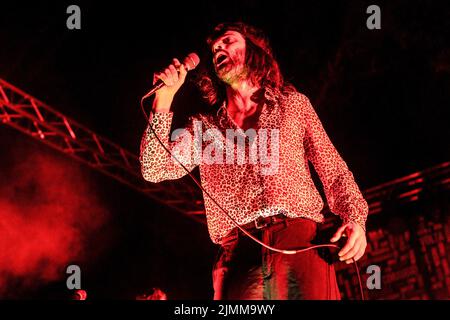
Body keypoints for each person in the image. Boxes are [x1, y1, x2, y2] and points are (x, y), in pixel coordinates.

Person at [140, 22, 368, 300]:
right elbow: (153, 168)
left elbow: (334, 171)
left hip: (299, 239)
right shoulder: (205, 128)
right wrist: (163, 99)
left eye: (227, 41)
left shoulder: (293, 105)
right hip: (237, 252)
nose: (218, 49)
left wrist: (355, 217)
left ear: (254, 50)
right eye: (214, 50)